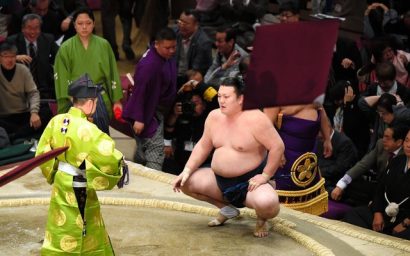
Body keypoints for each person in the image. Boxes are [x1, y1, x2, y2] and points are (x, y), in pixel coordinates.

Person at [172, 77, 284, 238]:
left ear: (241, 99)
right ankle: (227, 209)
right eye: (219, 96)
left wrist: (265, 175)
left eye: (226, 97)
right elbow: (203, 145)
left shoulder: (256, 119)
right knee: (185, 182)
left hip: (250, 184)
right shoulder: (214, 117)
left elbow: (277, 146)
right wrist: (187, 170)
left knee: (268, 204)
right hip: (219, 181)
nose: (221, 101)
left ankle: (261, 220)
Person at [35, 73, 126, 254]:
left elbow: (42, 153)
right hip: (80, 185)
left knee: (61, 225)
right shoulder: (87, 129)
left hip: (61, 183)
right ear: (91, 102)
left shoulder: (56, 121)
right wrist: (120, 163)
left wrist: (55, 172)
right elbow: (108, 156)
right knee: (84, 226)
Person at [54, 7, 123, 134]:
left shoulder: (104, 45)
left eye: (88, 23)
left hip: (99, 96)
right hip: (74, 99)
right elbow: (62, 78)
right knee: (76, 138)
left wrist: (117, 101)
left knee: (100, 137)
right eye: (80, 24)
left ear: (94, 24)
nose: (84, 27)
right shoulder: (65, 48)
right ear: (74, 25)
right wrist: (75, 102)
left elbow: (112, 73)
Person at [122, 27, 177, 170]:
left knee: (143, 148)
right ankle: (153, 182)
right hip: (146, 111)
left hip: (156, 107)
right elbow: (139, 91)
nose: (171, 50)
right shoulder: (149, 65)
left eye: (173, 47)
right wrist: (139, 118)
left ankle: (138, 171)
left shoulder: (165, 56)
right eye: (167, 48)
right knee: (156, 148)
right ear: (157, 44)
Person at [263, 103, 332, 215]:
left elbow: (322, 112)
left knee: (308, 193)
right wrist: (277, 151)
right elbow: (266, 126)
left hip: (309, 155)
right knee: (282, 193)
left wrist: (327, 139)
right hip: (285, 153)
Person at [343, 127, 410, 240]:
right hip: (385, 213)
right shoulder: (397, 161)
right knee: (354, 214)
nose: (408, 145)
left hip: (405, 219)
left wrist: (405, 223)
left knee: (403, 236)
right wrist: (377, 212)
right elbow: (380, 189)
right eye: (407, 140)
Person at [331, 124, 406, 206]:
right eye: (383, 136)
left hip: (395, 192)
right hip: (378, 185)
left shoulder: (405, 154)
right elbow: (363, 164)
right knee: (347, 184)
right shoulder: (380, 144)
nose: (383, 140)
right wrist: (341, 185)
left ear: (399, 142)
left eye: (387, 137)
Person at [0, 41, 50, 142]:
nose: (9, 60)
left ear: (16, 57)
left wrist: (34, 113)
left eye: (12, 56)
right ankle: (20, 134)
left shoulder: (22, 70)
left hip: (24, 114)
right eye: (5, 56)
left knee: (46, 112)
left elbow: (33, 93)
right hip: (4, 117)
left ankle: (14, 136)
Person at [6, 13, 59, 100]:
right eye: (29, 28)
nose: (33, 32)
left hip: (44, 89)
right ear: (22, 29)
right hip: (19, 89)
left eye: (36, 28)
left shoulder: (48, 39)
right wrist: (15, 58)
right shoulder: (12, 41)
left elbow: (60, 57)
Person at [175, 9, 213, 86]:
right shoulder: (176, 34)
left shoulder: (203, 42)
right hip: (174, 73)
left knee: (195, 77)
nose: (181, 25)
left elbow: (195, 70)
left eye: (185, 23)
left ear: (196, 25)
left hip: (189, 76)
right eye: (180, 21)